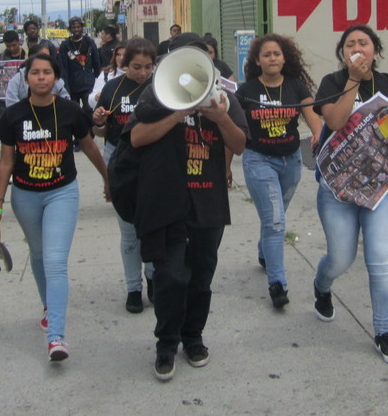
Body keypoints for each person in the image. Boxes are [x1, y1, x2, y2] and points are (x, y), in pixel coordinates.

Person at [125, 32, 249, 382]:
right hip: (167, 201)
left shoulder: (224, 97)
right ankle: (166, 344)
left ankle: (193, 337)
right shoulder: (158, 94)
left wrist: (219, 117)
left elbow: (238, 144)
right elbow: (136, 138)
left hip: (207, 200)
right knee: (169, 277)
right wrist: (180, 112)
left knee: (201, 277)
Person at [0, 51, 110, 362]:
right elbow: (6, 162)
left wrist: (108, 179)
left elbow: (90, 146)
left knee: (55, 260)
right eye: (35, 73)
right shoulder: (13, 115)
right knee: (39, 255)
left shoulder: (70, 111)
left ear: (56, 78)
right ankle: (48, 306)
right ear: (26, 78)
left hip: (61, 193)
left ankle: (56, 336)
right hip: (25, 196)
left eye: (47, 73)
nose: (41, 77)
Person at [312, 24, 388, 364]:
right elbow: (336, 122)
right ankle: (322, 287)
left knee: (380, 258)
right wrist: (352, 81)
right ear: (343, 53)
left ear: (375, 51)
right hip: (337, 187)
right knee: (341, 258)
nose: (357, 47)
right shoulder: (331, 82)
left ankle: (383, 332)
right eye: (350, 43)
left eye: (364, 43)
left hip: (382, 185)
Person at [236, 34, 321, 309]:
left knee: (276, 214)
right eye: (266, 55)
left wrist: (319, 135)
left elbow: (312, 117)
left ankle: (264, 252)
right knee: (275, 221)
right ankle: (277, 284)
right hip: (259, 161)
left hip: (292, 162)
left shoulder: (296, 86)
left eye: (276, 54)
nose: (272, 59)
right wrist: (226, 165)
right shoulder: (246, 91)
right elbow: (235, 129)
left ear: (285, 58)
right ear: (257, 61)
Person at [91, 38, 155, 313]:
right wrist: (99, 121)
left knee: (152, 228)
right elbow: (101, 134)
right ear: (124, 64)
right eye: (136, 67)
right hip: (118, 160)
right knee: (128, 232)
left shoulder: (159, 88)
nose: (142, 73)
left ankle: (153, 278)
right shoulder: (111, 88)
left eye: (148, 67)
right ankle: (133, 288)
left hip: (153, 162)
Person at [57, 16, 101, 116]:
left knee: (89, 110)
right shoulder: (65, 45)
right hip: (72, 86)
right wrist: (66, 87)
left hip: (88, 84)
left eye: (78, 27)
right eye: (74, 27)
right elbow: (63, 68)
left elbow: (96, 63)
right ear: (70, 29)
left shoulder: (89, 42)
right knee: (74, 112)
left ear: (82, 27)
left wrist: (99, 82)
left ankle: (89, 131)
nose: (76, 29)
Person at [91, 40, 126, 104]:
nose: (121, 58)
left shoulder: (139, 75)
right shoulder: (106, 74)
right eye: (118, 55)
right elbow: (91, 99)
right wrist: (96, 97)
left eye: (125, 55)